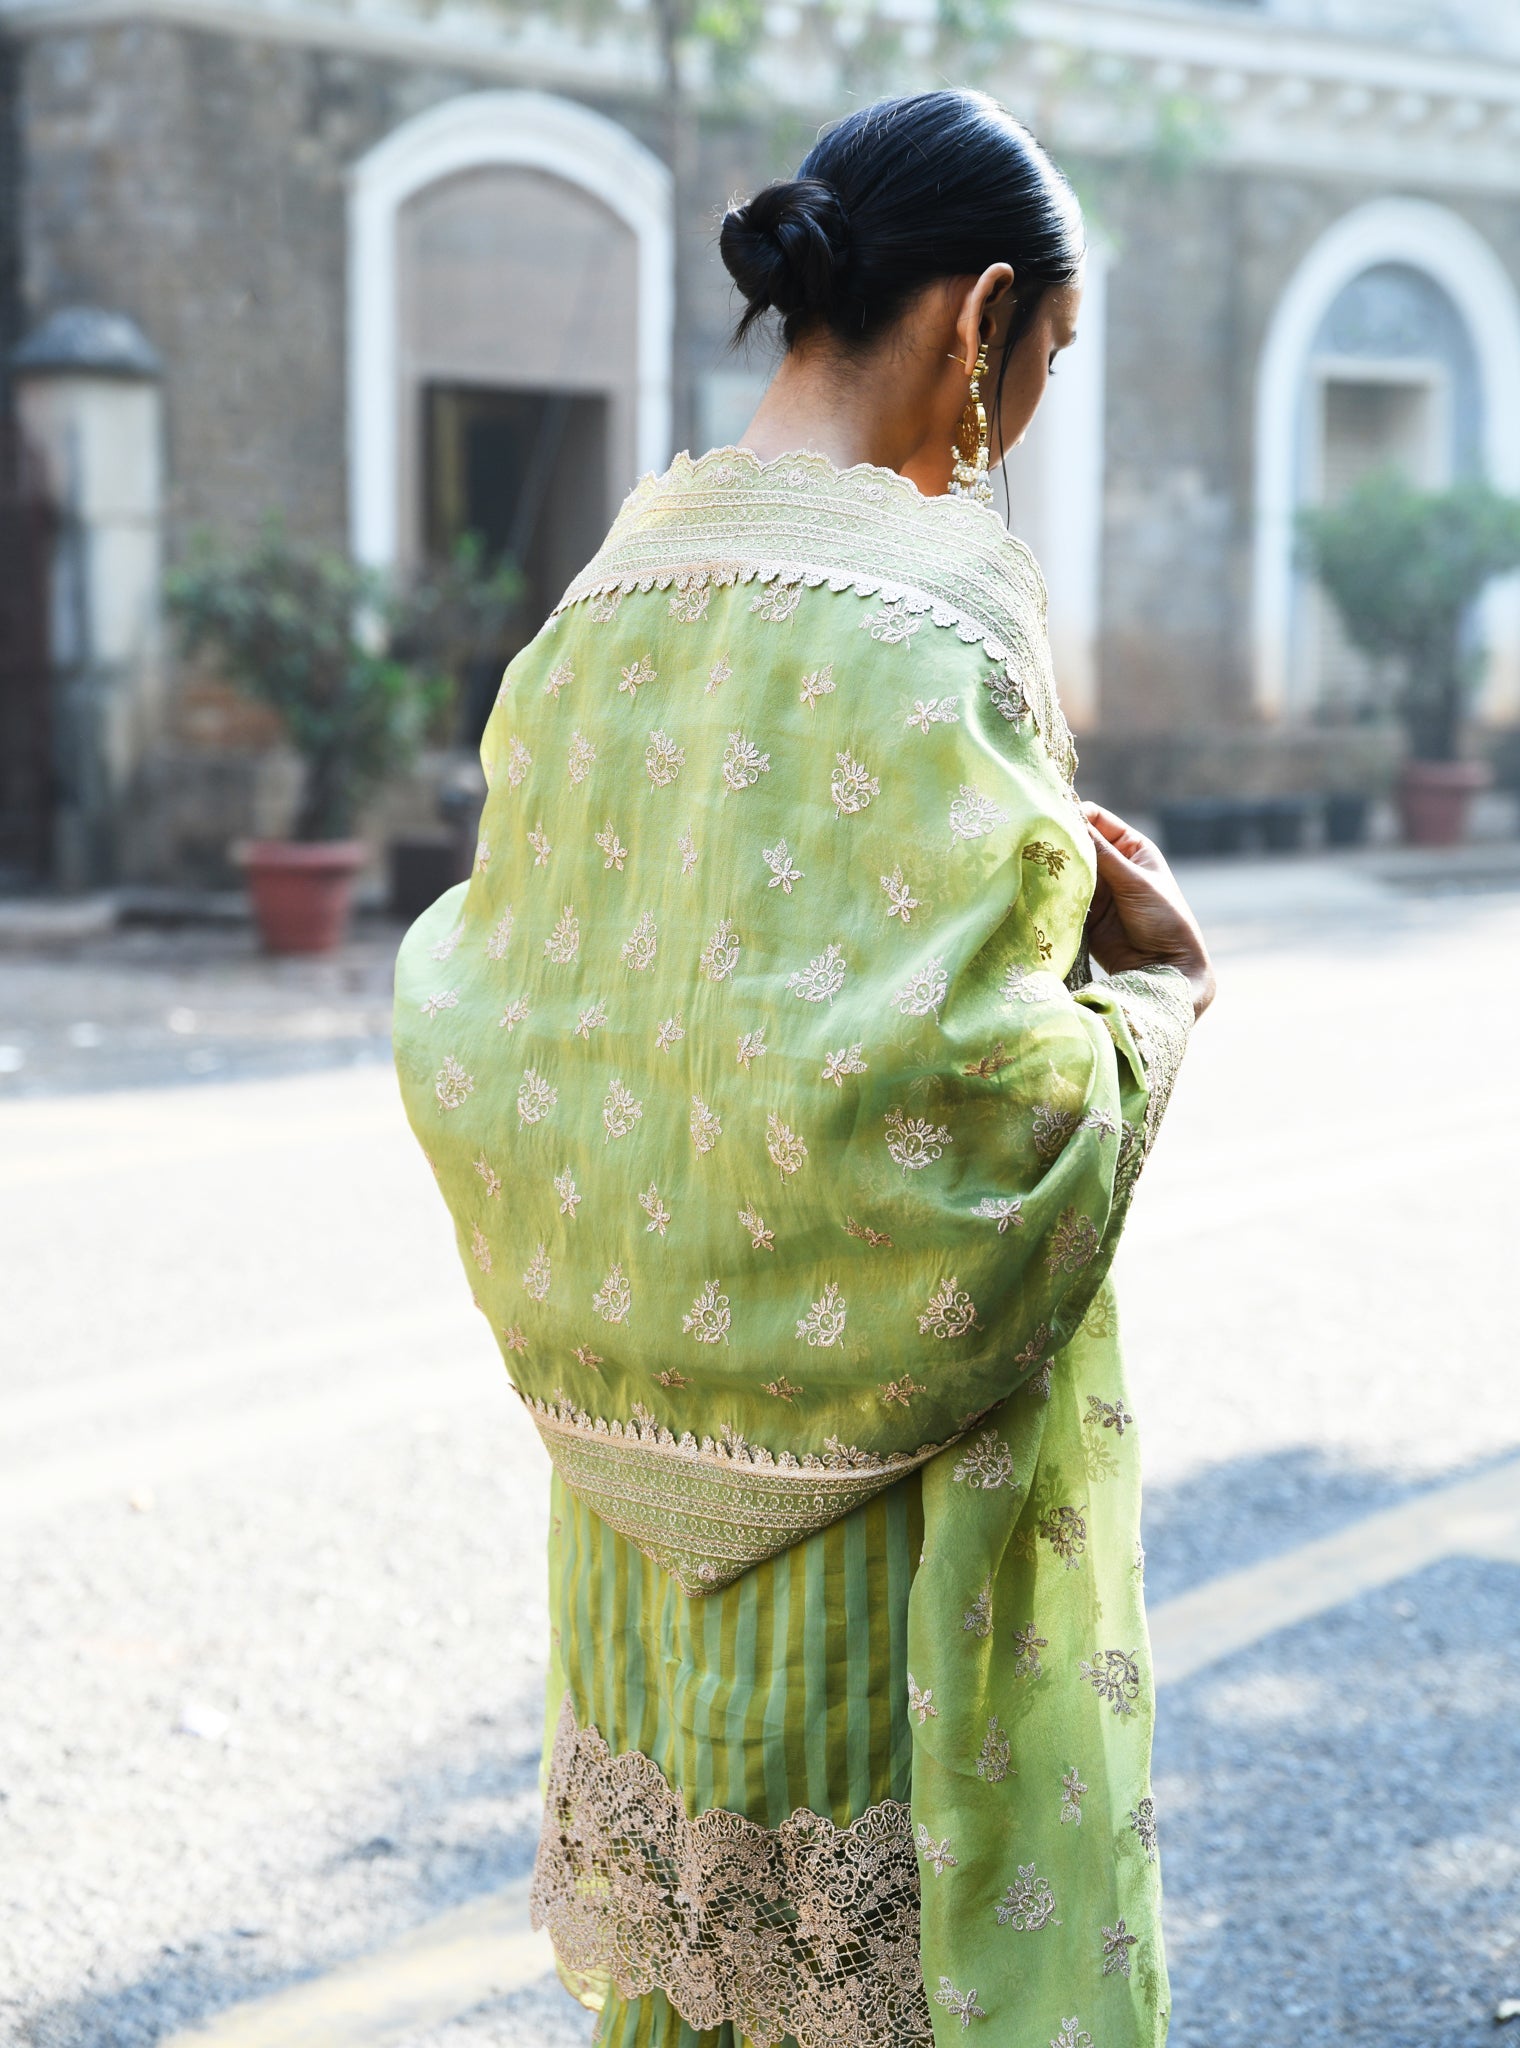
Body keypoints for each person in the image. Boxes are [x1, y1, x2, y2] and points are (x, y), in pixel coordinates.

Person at [392, 86, 1214, 2048]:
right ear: (977, 315)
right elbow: (984, 1122)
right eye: (1041, 367)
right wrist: (1157, 995)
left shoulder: (602, 602)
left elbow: (479, 1010)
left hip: (638, 1514)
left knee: (702, 1989)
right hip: (876, 1533)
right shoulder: (940, 621)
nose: (1014, 423)